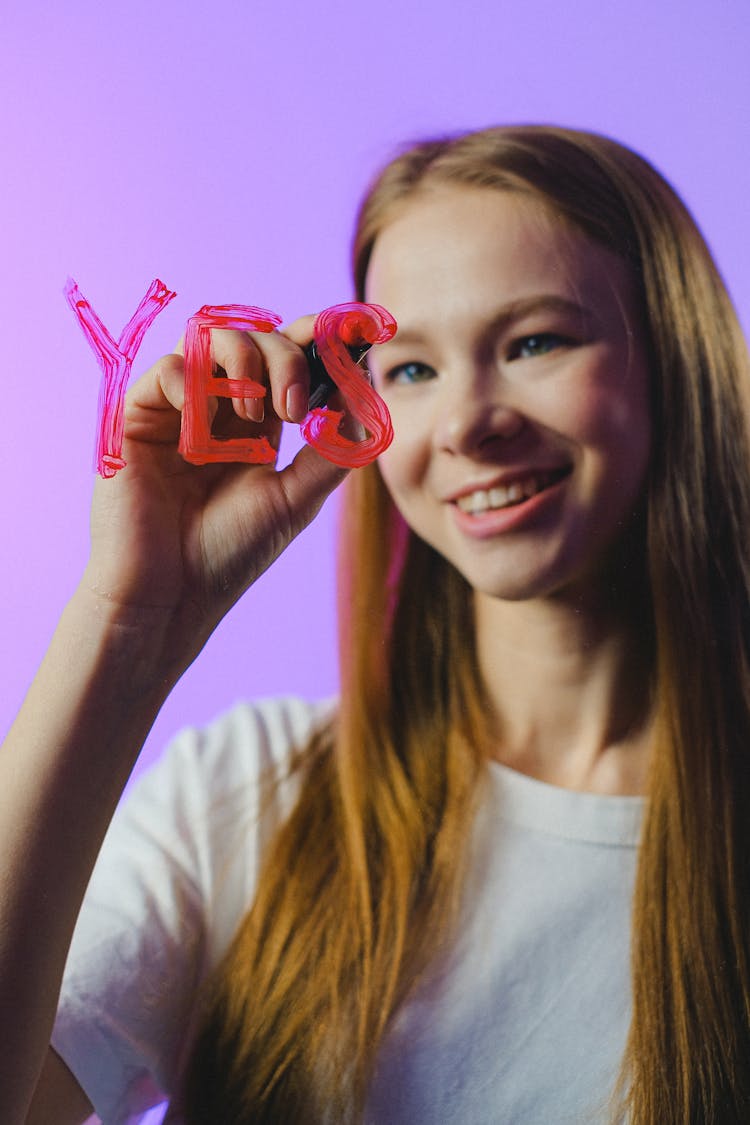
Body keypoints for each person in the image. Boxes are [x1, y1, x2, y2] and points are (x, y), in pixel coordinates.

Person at [3, 125, 750, 1125]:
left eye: (534, 342)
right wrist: (128, 628)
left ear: (676, 358)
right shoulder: (246, 794)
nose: (465, 423)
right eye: (407, 369)